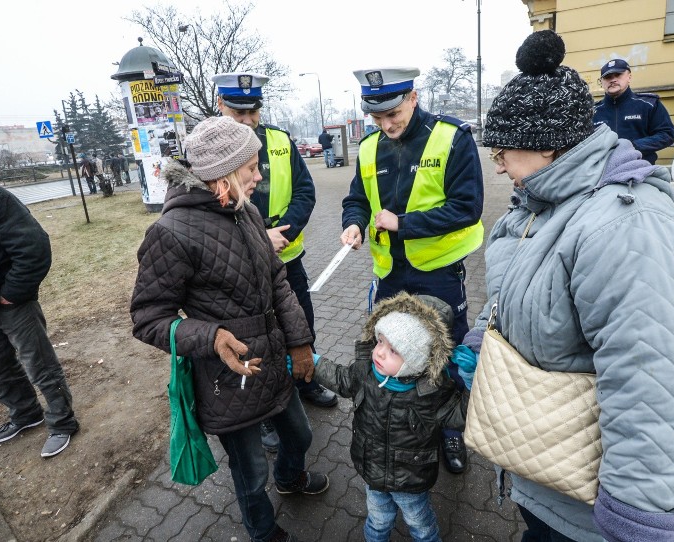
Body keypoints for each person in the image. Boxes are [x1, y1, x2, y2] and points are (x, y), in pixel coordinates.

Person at [464, 31, 674, 542]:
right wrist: (480, 341)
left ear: (548, 145)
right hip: (549, 481)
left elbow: (653, 379)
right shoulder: (545, 204)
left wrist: (639, 516)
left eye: (504, 151)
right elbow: (518, 291)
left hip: (592, 512)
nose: (500, 165)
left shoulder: (625, 225)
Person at [131, 116, 329, 542]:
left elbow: (278, 280)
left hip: (274, 362)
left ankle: (290, 477)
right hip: (229, 380)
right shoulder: (170, 233)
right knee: (250, 470)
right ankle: (260, 529)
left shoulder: (247, 211)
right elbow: (147, 318)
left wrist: (300, 341)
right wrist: (211, 337)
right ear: (223, 173)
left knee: (300, 435)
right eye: (251, 168)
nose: (259, 175)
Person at [340, 66, 484, 474]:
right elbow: (356, 198)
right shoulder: (369, 147)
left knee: (448, 350)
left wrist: (404, 224)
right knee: (390, 346)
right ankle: (402, 424)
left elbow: (467, 207)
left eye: (393, 115)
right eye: (377, 118)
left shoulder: (452, 138)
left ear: (413, 98)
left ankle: (452, 431)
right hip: (389, 271)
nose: (386, 125)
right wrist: (353, 222)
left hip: (437, 270)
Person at [211, 71, 338, 454]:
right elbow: (205, 216)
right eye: (238, 112)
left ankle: (306, 379)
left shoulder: (281, 141)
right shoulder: (211, 149)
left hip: (287, 254)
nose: (248, 119)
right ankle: (264, 411)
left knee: (302, 321)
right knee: (255, 335)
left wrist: (287, 229)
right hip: (241, 266)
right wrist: (255, 237)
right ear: (221, 107)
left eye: (253, 111)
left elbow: (304, 190)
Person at [314, 292, 466, 542]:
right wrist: (314, 364)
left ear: (417, 359)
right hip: (372, 470)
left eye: (393, 350)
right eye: (380, 341)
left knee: (420, 523)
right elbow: (342, 379)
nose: (380, 353)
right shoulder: (366, 373)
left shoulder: (433, 393)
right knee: (377, 519)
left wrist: (471, 382)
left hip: (410, 480)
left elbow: (461, 416)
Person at [0, 156, 80, 459]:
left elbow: (34, 247)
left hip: (11, 304)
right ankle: (26, 414)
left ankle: (62, 423)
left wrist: (12, 292)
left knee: (40, 366)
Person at [592, 58, 674, 164]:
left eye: (618, 75)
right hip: (602, 173)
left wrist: (632, 146)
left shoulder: (648, 104)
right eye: (607, 77)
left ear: (629, 77)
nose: (613, 80)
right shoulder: (592, 111)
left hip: (641, 170)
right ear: (602, 82)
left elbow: (667, 134)